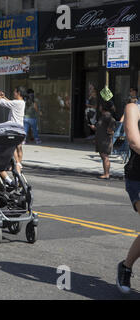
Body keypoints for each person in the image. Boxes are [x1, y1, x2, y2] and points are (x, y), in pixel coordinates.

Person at [116, 100, 140, 294]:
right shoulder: (134, 108)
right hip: (138, 178)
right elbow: (134, 141)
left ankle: (125, 266)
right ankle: (125, 268)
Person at [0, 87, 26, 188]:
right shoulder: (21, 102)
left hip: (14, 129)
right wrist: (6, 97)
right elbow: (11, 103)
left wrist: (0, 97)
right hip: (20, 129)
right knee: (19, 147)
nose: (13, 92)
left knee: (13, 147)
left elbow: (2, 103)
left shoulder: (16, 103)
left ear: (18, 93)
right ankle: (19, 164)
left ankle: (17, 164)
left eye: (15, 91)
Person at [91, 100, 117, 180]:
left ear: (103, 107)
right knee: (103, 156)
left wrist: (110, 130)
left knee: (105, 156)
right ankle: (105, 173)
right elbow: (101, 126)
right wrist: (95, 128)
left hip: (105, 140)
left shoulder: (107, 116)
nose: (99, 107)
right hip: (101, 139)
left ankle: (106, 174)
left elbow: (112, 123)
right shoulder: (103, 116)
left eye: (101, 106)